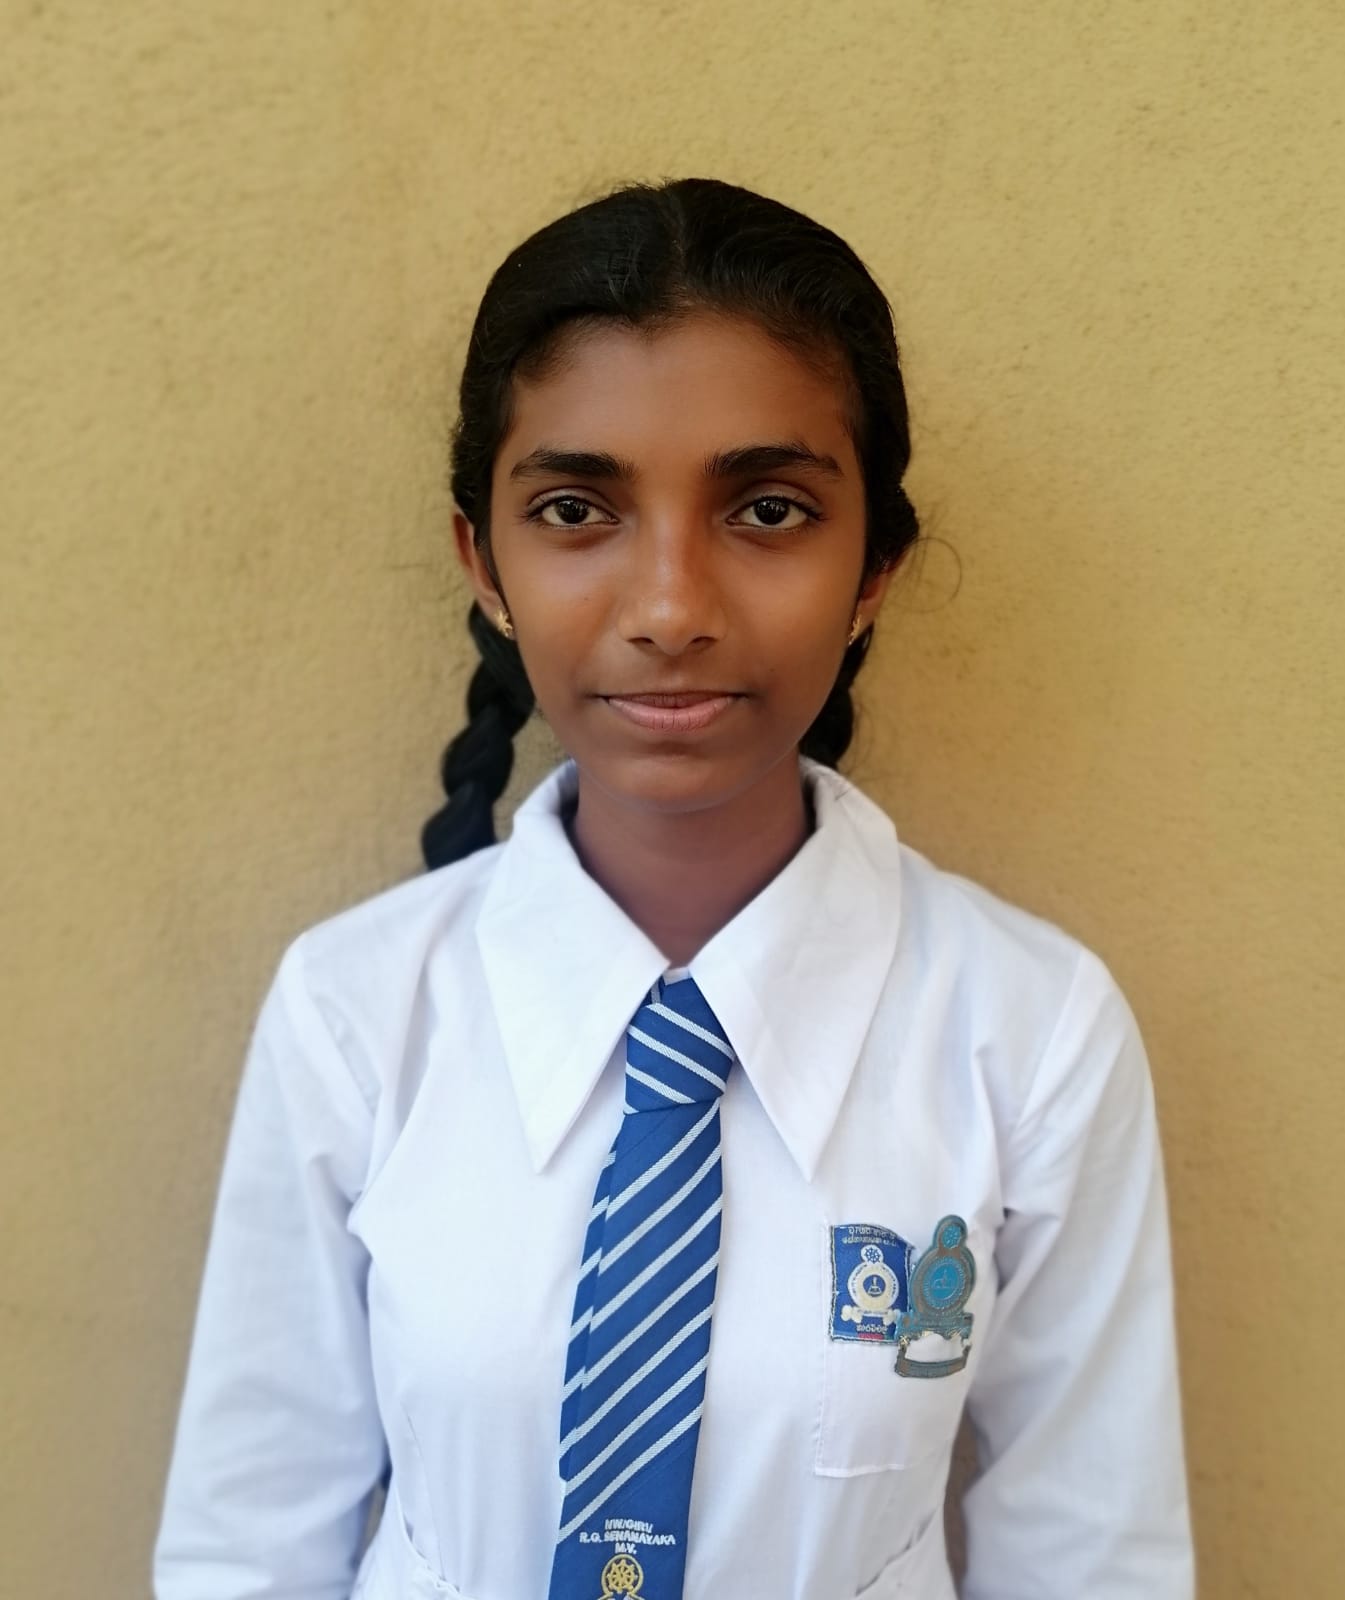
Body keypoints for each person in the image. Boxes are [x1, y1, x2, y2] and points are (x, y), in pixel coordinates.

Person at [153, 177, 1194, 1600]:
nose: (669, 607)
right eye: (575, 509)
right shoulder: (355, 1013)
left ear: (873, 568)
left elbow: (1092, 1557)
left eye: (767, 509)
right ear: (483, 562)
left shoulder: (1027, 1032)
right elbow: (248, 1547)